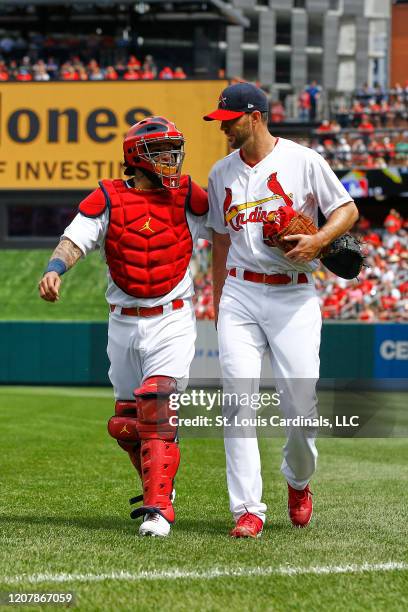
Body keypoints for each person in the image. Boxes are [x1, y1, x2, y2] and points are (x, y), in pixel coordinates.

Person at [39, 116, 208, 537]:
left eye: (174, 150)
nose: (171, 159)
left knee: (157, 402)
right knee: (125, 423)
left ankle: (158, 508)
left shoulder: (188, 195)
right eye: (161, 152)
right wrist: (56, 268)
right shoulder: (109, 198)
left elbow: (227, 230)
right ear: (136, 157)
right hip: (123, 322)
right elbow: (75, 238)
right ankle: (159, 481)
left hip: (173, 314)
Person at [203, 82, 358, 538]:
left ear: (254, 117)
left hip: (294, 294)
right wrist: (218, 301)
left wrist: (319, 240)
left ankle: (298, 480)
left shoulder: (303, 161)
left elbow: (346, 210)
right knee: (237, 403)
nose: (224, 128)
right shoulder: (220, 173)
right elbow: (219, 240)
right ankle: (248, 509)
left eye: (229, 121)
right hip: (240, 294)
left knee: (300, 408)